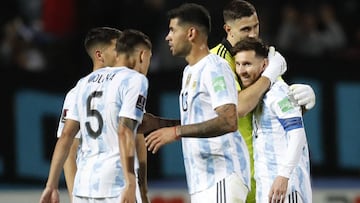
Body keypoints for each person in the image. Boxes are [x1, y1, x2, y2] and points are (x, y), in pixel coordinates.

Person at [142, 3, 285, 203]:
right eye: (246, 28)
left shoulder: (215, 67)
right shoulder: (190, 71)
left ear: (191, 33)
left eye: (173, 30)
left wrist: (175, 133)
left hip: (223, 174)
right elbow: (202, 121)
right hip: (204, 179)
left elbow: (229, 120)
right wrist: (159, 124)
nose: (168, 36)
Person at [210, 1, 316, 202]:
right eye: (245, 29)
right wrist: (270, 73)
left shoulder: (264, 56)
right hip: (231, 175)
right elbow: (238, 107)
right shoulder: (218, 61)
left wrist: (303, 101)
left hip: (263, 177)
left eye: (256, 26)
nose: (253, 33)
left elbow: (280, 110)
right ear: (228, 29)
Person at [40, 28, 152, 203]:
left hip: (86, 184)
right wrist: (140, 189)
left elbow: (66, 138)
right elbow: (132, 137)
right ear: (100, 55)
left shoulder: (80, 87)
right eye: (118, 48)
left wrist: (58, 187)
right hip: (118, 183)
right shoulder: (130, 82)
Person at [233, 37, 312, 203]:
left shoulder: (278, 93)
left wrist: (283, 175)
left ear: (264, 65)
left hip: (285, 189)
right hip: (269, 188)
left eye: (247, 64)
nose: (241, 71)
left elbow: (297, 134)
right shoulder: (259, 95)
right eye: (238, 64)